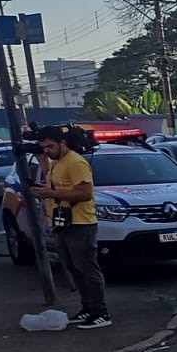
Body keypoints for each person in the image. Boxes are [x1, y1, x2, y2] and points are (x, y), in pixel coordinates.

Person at [36, 127, 109, 329]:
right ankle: (88, 308)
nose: (47, 150)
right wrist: (43, 164)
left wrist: (51, 194)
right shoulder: (56, 163)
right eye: (44, 147)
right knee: (73, 268)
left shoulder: (75, 162)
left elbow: (85, 193)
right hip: (63, 223)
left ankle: (100, 312)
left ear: (62, 143)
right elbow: (56, 184)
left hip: (80, 223)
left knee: (87, 268)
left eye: (50, 146)